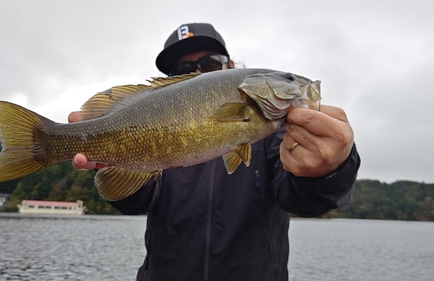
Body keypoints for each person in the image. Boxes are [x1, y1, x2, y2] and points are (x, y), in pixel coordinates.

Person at [68, 23, 360, 281]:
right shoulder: (158, 117)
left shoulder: (277, 137)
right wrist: (114, 158)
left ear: (230, 66)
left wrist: (331, 171)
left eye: (209, 63)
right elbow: (137, 202)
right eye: (182, 70)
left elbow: (304, 201)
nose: (196, 72)